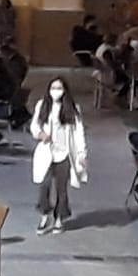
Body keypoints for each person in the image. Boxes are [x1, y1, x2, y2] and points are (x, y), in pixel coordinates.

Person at [30, 77, 88, 234]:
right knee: (44, 185)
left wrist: (81, 154)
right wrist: (40, 134)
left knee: (61, 189)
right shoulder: (42, 105)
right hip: (46, 153)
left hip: (64, 154)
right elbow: (34, 125)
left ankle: (59, 218)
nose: (56, 91)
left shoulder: (73, 109)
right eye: (53, 88)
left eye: (59, 88)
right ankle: (44, 215)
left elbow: (79, 133)